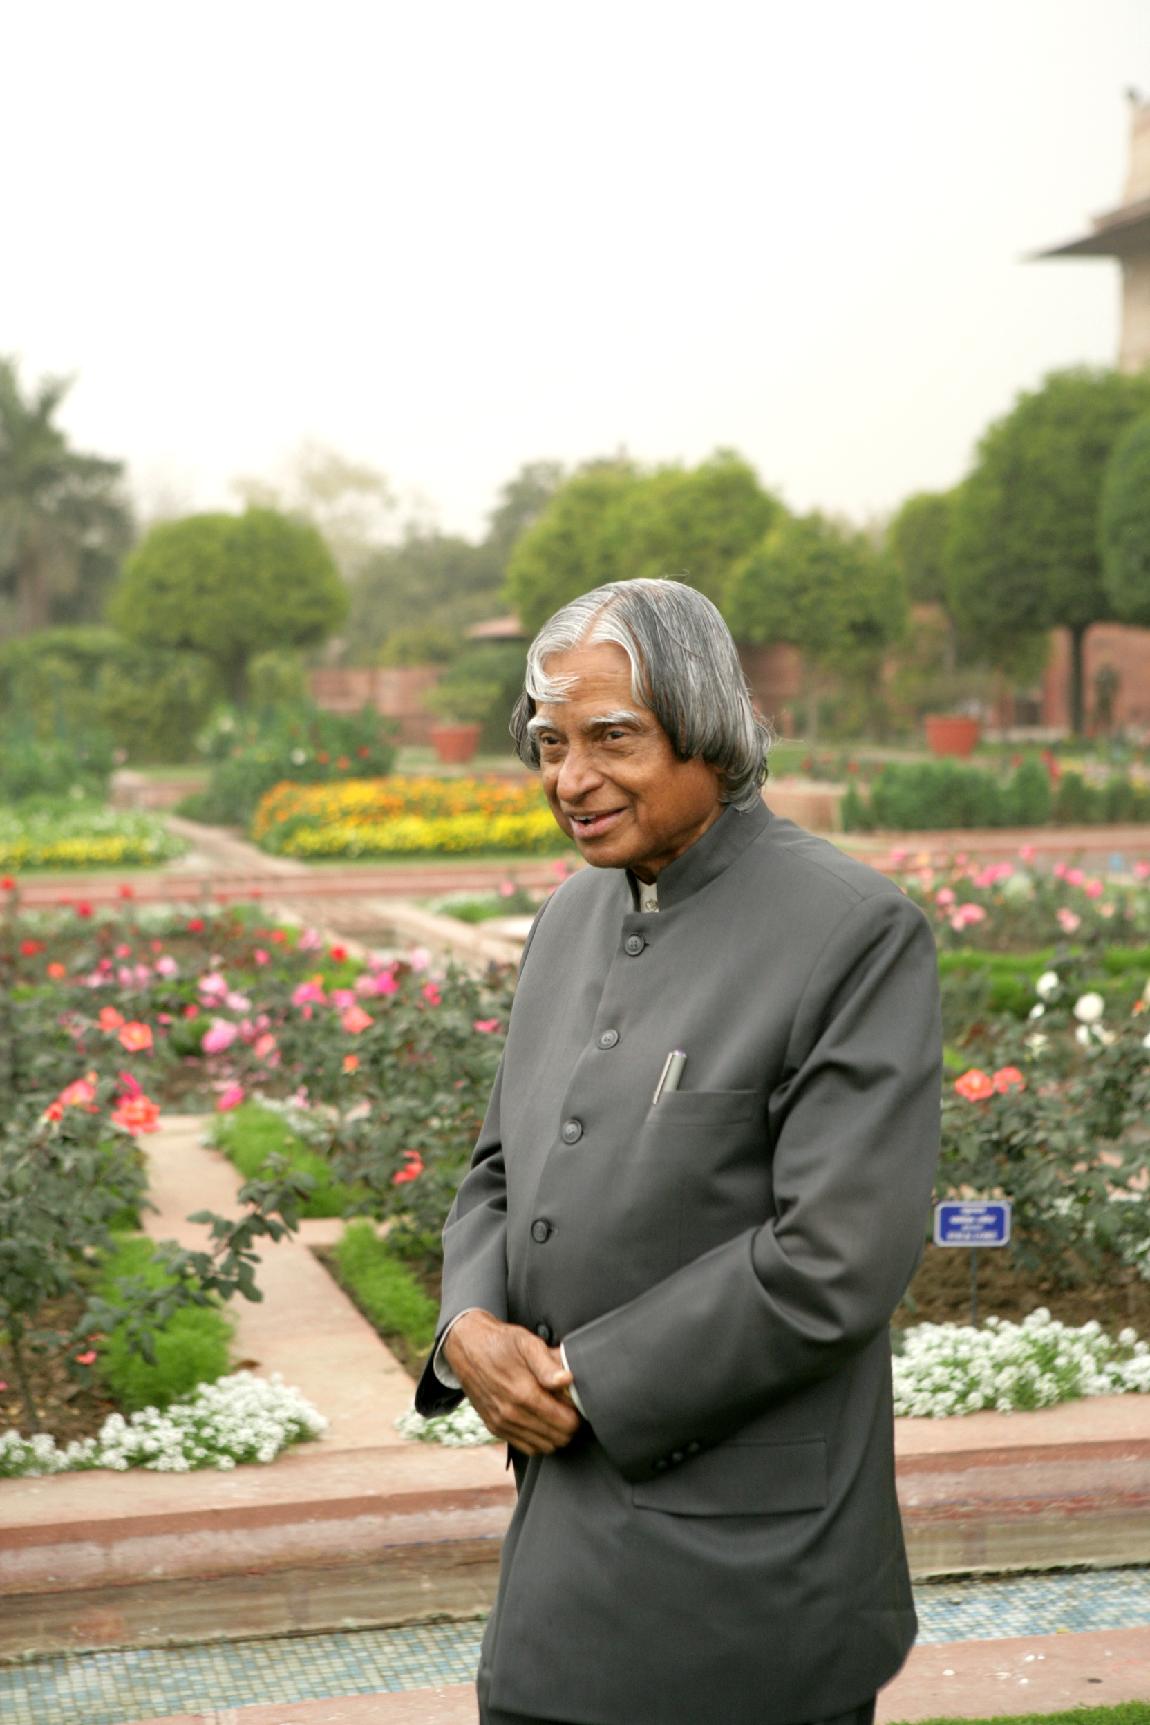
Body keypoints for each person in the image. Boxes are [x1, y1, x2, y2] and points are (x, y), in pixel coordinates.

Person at [415, 578, 941, 1725]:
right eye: (550, 743)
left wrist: (579, 1380)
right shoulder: (570, 918)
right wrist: (467, 1327)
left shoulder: (851, 930)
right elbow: (499, 1170)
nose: (571, 779)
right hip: (559, 1567)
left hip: (752, 1585)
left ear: (710, 726)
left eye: (612, 738)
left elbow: (834, 1260)